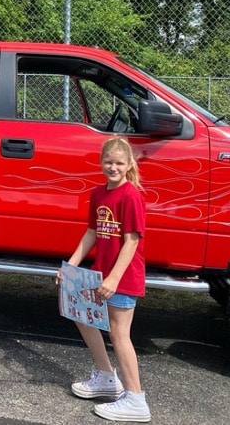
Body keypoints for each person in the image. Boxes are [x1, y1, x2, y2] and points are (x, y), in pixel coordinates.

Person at [60, 136, 150, 423]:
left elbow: (132, 241)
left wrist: (113, 278)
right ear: (101, 163)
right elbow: (91, 233)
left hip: (122, 276)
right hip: (98, 274)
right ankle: (106, 377)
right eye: (108, 162)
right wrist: (70, 265)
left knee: (119, 334)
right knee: (82, 317)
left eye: (119, 163)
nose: (113, 167)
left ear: (128, 165)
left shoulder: (130, 196)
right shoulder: (99, 194)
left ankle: (136, 399)